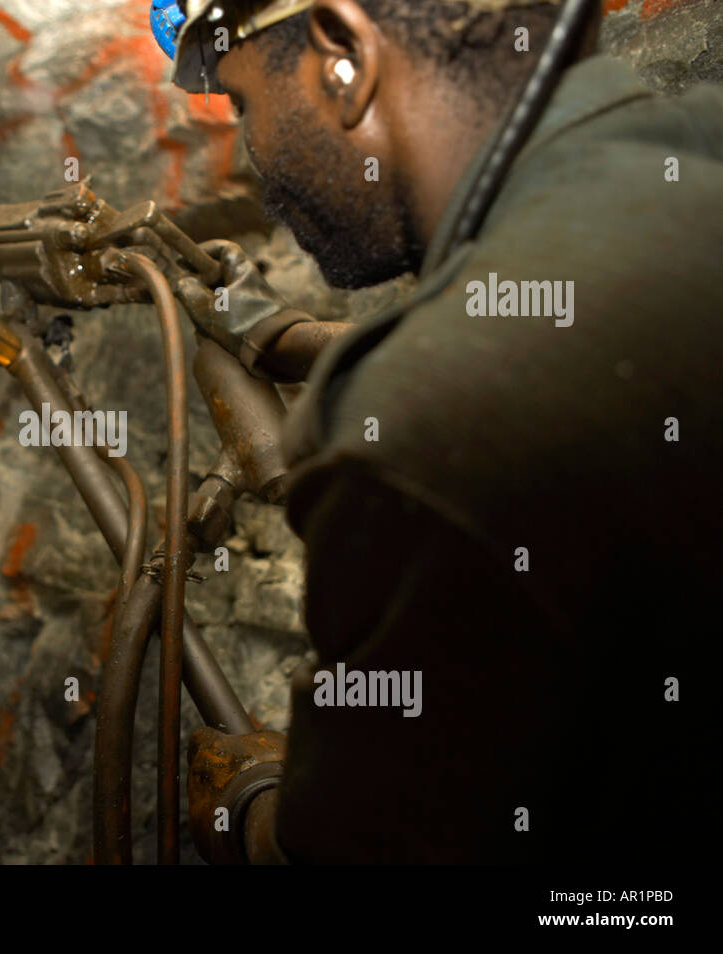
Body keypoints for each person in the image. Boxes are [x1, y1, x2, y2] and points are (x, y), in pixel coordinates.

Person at [153, 0, 722, 862]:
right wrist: (282, 334)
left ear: (344, 58)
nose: (251, 157)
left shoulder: (430, 424)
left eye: (241, 106)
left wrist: (249, 809)